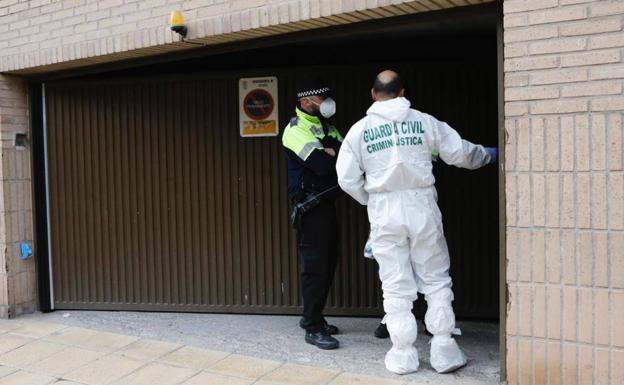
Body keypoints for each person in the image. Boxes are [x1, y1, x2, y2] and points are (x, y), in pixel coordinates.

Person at [336, 70, 497, 374]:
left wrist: (371, 199)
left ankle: (403, 354)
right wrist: (488, 155)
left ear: (373, 94)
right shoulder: (423, 121)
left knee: (395, 284)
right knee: (435, 277)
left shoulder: (359, 130)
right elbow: (460, 152)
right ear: (402, 92)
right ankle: (444, 349)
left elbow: (346, 178)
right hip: (421, 205)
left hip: (384, 207)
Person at [282, 78, 343, 350]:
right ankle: (312, 326)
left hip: (327, 204)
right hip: (311, 207)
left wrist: (332, 152)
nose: (326, 102)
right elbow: (320, 165)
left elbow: (347, 155)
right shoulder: (294, 130)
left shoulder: (327, 126)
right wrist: (329, 153)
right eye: (321, 98)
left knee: (329, 263)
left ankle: (315, 316)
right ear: (306, 102)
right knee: (315, 267)